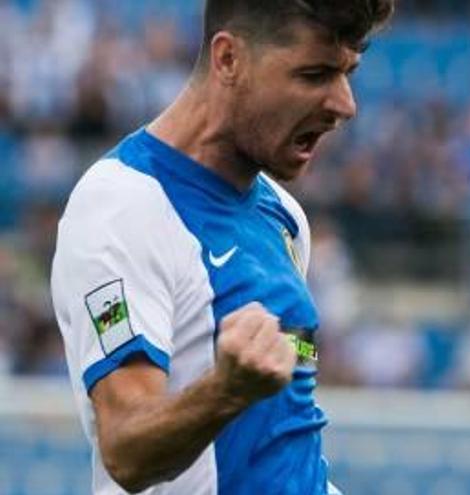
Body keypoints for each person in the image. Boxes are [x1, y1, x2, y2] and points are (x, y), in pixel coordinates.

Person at [50, 1, 394, 494]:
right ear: (229, 59)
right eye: (315, 73)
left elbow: (281, 448)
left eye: (348, 73)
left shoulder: (284, 217)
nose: (345, 104)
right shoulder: (122, 206)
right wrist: (224, 391)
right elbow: (125, 449)